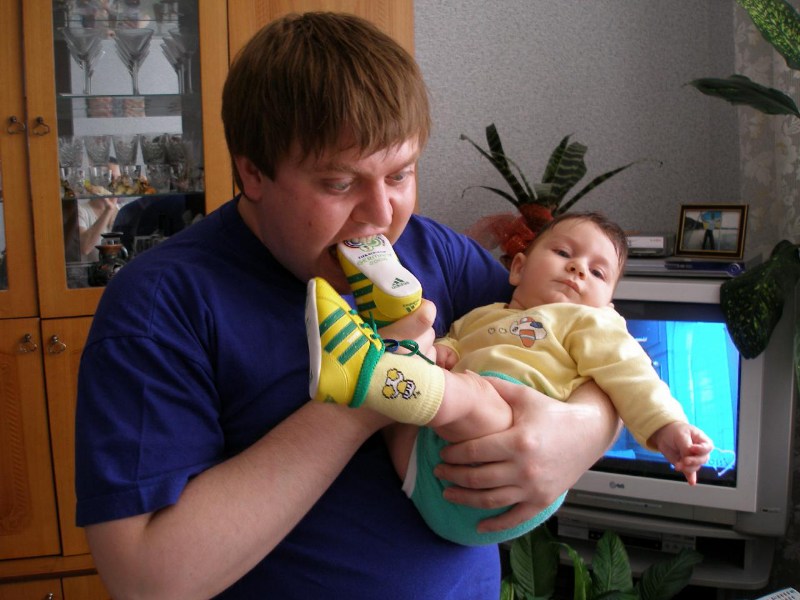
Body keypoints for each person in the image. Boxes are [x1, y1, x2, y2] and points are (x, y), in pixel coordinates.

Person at [74, 13, 620, 599]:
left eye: (400, 175)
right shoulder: (162, 304)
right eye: (339, 184)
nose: (381, 215)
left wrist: (584, 431)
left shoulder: (435, 252)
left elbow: (596, 339)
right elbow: (146, 579)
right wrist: (370, 396)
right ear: (253, 173)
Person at [307, 211, 714, 546]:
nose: (578, 268)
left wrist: (668, 427)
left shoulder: (591, 323)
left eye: (597, 272)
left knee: (476, 391)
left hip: (510, 474)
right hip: (425, 474)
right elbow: (455, 344)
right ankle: (390, 317)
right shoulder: (480, 316)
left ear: (608, 302)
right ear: (517, 268)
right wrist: (445, 351)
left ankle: (365, 369)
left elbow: (634, 376)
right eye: (563, 253)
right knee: (426, 354)